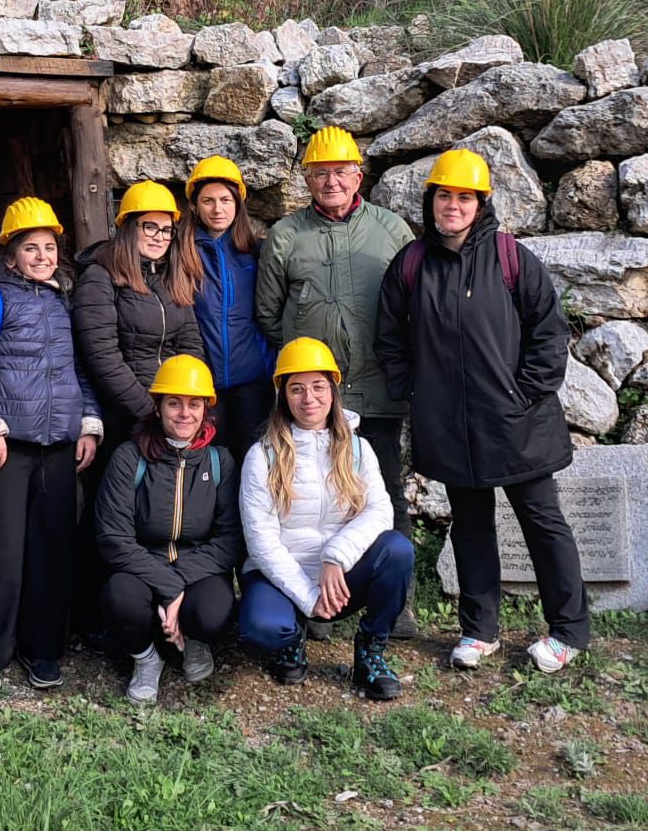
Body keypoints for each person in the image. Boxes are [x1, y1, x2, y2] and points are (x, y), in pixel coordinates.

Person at [375, 147, 589, 674]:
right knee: (470, 524)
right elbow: (388, 338)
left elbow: (549, 332)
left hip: (518, 424)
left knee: (543, 523)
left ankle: (568, 632)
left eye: (464, 197)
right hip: (449, 425)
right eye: (444, 195)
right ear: (431, 201)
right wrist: (416, 392)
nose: (453, 205)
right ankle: (479, 630)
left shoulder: (511, 258)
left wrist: (525, 394)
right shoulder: (412, 263)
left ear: (481, 203)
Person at [254, 125, 417, 633]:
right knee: (310, 495)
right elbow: (267, 312)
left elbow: (416, 301)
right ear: (305, 179)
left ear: (358, 176)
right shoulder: (286, 235)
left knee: (383, 491)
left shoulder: (391, 229)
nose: (331, 181)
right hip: (312, 397)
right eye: (319, 173)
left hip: (378, 390)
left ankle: (397, 599)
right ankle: (317, 601)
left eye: (340, 172)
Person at [0, 197, 105, 696]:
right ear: (10, 255)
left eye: (49, 247)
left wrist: (89, 422)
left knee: (52, 553)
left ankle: (43, 651)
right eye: (30, 248)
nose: (42, 256)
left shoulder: (63, 304)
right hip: (7, 447)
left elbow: (80, 370)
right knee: (2, 553)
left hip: (58, 446)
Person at [237, 337, 413, 701]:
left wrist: (336, 556)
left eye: (318, 387)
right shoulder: (262, 455)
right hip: (282, 574)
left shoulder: (358, 449)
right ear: (282, 395)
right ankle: (292, 636)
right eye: (296, 389)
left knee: (397, 550)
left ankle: (370, 651)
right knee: (263, 628)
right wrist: (307, 596)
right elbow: (261, 541)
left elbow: (380, 510)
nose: (309, 399)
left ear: (333, 391)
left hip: (340, 575)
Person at [72, 181, 205, 633]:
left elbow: (191, 344)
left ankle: (170, 607)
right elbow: (102, 355)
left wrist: (193, 402)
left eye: (166, 230)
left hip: (170, 416)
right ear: (126, 227)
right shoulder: (100, 275)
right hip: (125, 418)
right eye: (149, 227)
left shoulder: (172, 278)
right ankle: (102, 616)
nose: (158, 237)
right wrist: (148, 413)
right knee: (114, 514)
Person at [94, 353, 241, 704]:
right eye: (174, 403)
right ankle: (145, 658)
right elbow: (113, 538)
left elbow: (230, 539)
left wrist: (179, 581)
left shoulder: (220, 461)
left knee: (213, 611)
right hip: (142, 566)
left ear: (207, 409)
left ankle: (194, 641)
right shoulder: (129, 457)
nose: (184, 413)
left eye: (194, 404)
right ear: (158, 407)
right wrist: (168, 586)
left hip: (199, 565)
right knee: (120, 597)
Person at [180, 156, 274, 449]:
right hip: (202, 381)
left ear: (238, 204)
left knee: (253, 458)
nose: (217, 209)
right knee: (209, 461)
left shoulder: (256, 252)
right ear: (195, 205)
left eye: (225, 200)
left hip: (253, 380)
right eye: (208, 201)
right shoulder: (180, 252)